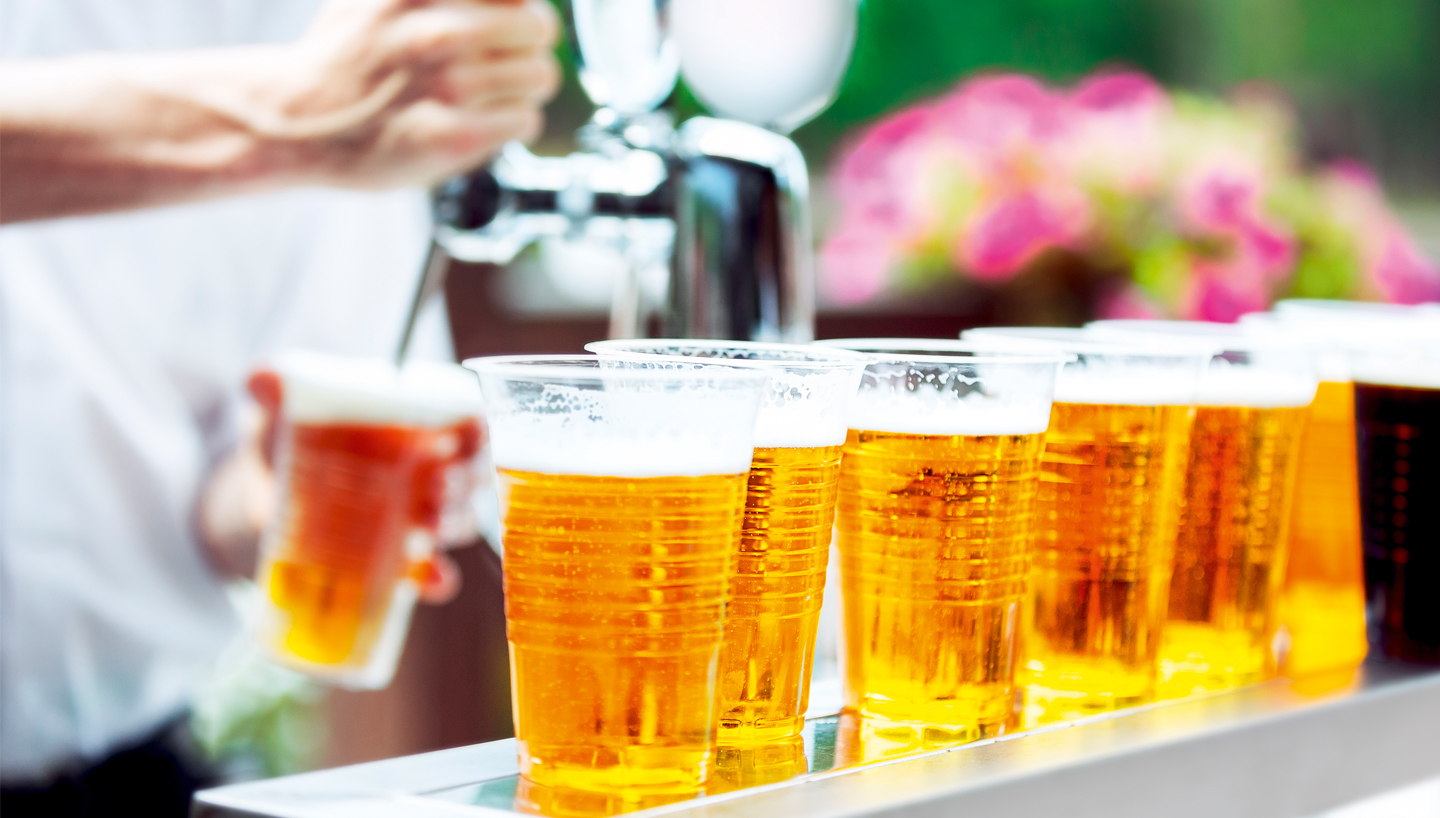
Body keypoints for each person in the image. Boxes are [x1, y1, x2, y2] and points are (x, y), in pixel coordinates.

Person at [0, 0, 559, 814]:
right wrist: (286, 111)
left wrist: (284, 500)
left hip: (104, 774)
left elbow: (232, 496)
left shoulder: (321, 31)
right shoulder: (329, 83)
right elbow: (313, 108)